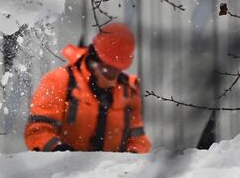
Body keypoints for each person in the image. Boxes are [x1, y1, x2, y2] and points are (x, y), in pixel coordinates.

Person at [23, 21, 151, 153]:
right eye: (108, 67)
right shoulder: (59, 80)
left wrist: (133, 155)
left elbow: (138, 139)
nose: (112, 74)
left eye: (117, 69)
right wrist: (58, 150)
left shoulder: (129, 92)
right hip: (62, 171)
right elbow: (38, 130)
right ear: (95, 57)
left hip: (111, 172)